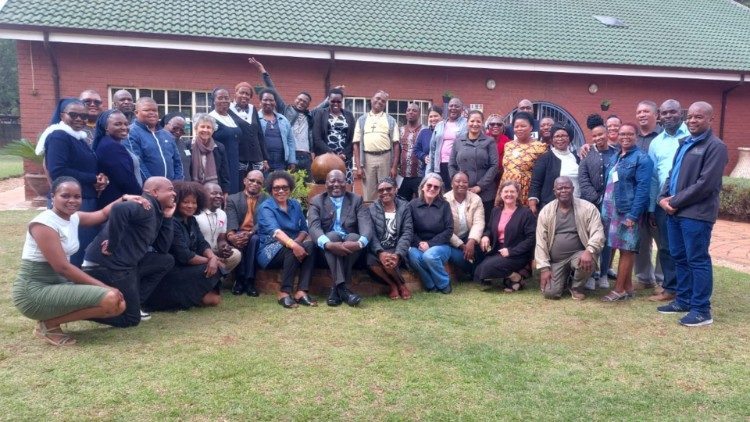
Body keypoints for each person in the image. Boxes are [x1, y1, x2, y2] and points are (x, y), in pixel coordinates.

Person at [12, 177, 132, 346]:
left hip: (56, 287)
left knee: (119, 305)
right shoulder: (44, 223)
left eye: (77, 196)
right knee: (110, 297)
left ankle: (48, 322)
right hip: (33, 292)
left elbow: (102, 214)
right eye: (65, 195)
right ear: (53, 196)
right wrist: (103, 286)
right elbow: (62, 268)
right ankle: (49, 325)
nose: (72, 200)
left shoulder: (73, 218)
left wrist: (124, 198)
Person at [657, 101, 727, 327]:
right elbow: (672, 173)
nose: (693, 120)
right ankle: (683, 300)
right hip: (675, 212)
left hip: (696, 214)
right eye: (691, 117)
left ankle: (701, 310)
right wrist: (663, 197)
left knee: (697, 259)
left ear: (710, 119)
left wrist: (674, 201)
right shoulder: (685, 142)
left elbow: (706, 184)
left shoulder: (715, 146)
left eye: (699, 117)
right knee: (679, 256)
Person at [83, 176, 177, 327]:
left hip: (124, 265)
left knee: (166, 260)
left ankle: (134, 302)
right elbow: (119, 209)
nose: (174, 194)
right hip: (106, 266)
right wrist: (113, 244)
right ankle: (76, 312)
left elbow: (163, 248)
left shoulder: (156, 211)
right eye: (170, 190)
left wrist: (167, 218)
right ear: (155, 192)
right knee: (131, 319)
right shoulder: (144, 205)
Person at [45, 99, 109, 266]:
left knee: (85, 245)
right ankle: (74, 286)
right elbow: (58, 170)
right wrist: (92, 178)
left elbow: (86, 166)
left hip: (86, 197)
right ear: (62, 115)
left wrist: (100, 178)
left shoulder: (78, 137)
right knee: (77, 249)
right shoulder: (59, 136)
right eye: (74, 115)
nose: (80, 119)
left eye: (84, 116)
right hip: (74, 201)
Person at [145, 181, 222, 311]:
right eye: (186, 202)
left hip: (187, 267)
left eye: (194, 202)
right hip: (172, 270)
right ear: (177, 202)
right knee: (213, 288)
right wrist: (211, 261)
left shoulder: (192, 220)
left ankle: (195, 296)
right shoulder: (172, 222)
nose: (190, 206)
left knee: (214, 290)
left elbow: (202, 243)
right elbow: (185, 256)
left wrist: (212, 257)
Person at [600, 123, 654, 302]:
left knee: (626, 249)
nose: (625, 137)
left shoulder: (642, 159)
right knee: (621, 247)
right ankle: (628, 286)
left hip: (626, 211)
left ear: (636, 136)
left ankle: (619, 290)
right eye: (622, 134)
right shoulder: (617, 156)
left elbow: (643, 189)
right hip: (611, 211)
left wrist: (633, 215)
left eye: (630, 134)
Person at [308, 169, 372, 307]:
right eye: (332, 181)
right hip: (326, 251)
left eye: (340, 181)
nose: (336, 184)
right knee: (332, 235)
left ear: (346, 184)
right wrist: (329, 245)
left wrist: (359, 244)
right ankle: (343, 289)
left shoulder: (356, 200)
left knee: (355, 237)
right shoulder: (317, 201)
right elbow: (314, 228)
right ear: (326, 184)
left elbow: (366, 227)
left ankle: (335, 289)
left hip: (352, 249)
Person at [536, 177, 605, 300]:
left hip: (580, 256)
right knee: (550, 294)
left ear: (573, 189)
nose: (563, 191)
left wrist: (589, 251)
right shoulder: (546, 211)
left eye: (567, 187)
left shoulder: (588, 208)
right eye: (559, 188)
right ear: (554, 191)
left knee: (585, 260)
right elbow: (540, 241)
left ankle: (576, 287)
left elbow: (598, 233)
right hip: (556, 260)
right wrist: (544, 268)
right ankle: (564, 279)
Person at [250, 57, 319, 179]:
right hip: (286, 157)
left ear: (308, 104)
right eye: (300, 99)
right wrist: (263, 71)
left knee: (304, 189)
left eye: (305, 101)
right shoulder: (286, 111)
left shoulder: (309, 116)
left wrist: (330, 98)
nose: (301, 102)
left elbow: (320, 107)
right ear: (295, 99)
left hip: (305, 156)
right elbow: (273, 91)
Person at [256, 171, 317, 308]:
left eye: (285, 187)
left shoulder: (295, 204)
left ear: (290, 189)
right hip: (269, 250)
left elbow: (303, 229)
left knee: (311, 246)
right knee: (290, 248)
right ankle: (284, 292)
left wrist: (298, 242)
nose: (281, 191)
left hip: (293, 244)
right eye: (276, 188)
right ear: (271, 190)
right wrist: (294, 245)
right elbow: (276, 232)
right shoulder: (266, 207)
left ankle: (301, 291)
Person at [647, 99, 688, 302]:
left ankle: (688, 288)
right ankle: (670, 288)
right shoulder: (656, 143)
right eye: (664, 113)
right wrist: (653, 206)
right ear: (660, 117)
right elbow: (654, 177)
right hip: (663, 203)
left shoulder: (691, 136)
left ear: (681, 113)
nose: (669, 116)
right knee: (666, 246)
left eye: (673, 112)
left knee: (688, 247)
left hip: (690, 202)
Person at [474, 181, 536, 292]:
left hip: (518, 253)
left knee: (487, 268)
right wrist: (486, 236)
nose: (509, 194)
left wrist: (511, 251)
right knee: (479, 271)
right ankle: (513, 279)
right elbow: (489, 229)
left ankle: (516, 277)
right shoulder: (496, 211)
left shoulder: (526, 213)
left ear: (517, 194)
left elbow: (531, 239)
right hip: (498, 250)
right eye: (506, 191)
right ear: (501, 194)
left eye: (512, 191)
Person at [578, 113, 617, 289]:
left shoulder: (617, 154)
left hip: (611, 205)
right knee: (591, 238)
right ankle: (591, 274)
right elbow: (583, 178)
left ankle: (603, 274)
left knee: (607, 240)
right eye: (594, 136)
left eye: (601, 134)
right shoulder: (587, 154)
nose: (598, 138)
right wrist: (595, 198)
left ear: (607, 133)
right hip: (591, 203)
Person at [634, 100, 664, 291]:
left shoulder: (664, 138)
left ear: (656, 115)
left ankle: (663, 279)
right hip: (637, 200)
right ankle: (644, 278)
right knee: (640, 240)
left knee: (663, 242)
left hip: (659, 198)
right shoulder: (632, 138)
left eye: (646, 111)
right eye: (639, 112)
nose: (642, 115)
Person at [449, 109, 499, 223]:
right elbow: (451, 164)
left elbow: (494, 165)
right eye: (472, 121)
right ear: (467, 122)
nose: (475, 124)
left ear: (482, 123)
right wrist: (456, 183)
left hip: (484, 191)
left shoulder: (489, 141)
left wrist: (480, 186)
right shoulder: (458, 141)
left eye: (478, 121)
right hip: (462, 190)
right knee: (463, 222)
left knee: (483, 223)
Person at [407, 173, 454, 293]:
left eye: (436, 187)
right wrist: (419, 243)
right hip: (418, 245)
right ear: (423, 186)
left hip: (440, 245)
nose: (432, 189)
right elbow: (409, 229)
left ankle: (444, 283)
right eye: (429, 185)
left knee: (429, 256)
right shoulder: (412, 205)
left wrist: (430, 244)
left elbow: (449, 230)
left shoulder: (445, 205)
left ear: (439, 190)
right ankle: (430, 284)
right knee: (413, 256)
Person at [367, 178, 413, 300]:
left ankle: (400, 285)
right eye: (381, 190)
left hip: (397, 246)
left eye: (388, 189)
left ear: (395, 189)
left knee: (390, 260)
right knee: (371, 261)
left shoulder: (405, 207)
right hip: (379, 247)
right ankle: (393, 284)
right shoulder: (372, 209)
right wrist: (380, 252)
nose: (385, 192)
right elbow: (371, 234)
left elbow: (407, 232)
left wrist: (398, 254)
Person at [226, 170, 269, 296]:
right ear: (245, 181)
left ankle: (249, 281)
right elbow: (231, 219)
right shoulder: (232, 199)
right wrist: (232, 236)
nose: (255, 184)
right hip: (238, 232)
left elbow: (263, 221)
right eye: (252, 180)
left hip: (256, 234)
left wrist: (250, 233)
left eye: (259, 182)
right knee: (239, 239)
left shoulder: (267, 200)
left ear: (262, 185)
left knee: (254, 239)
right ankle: (239, 280)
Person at [352, 90, 400, 201]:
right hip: (368, 159)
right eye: (377, 98)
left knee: (386, 189)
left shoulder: (391, 120)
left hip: (385, 157)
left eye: (383, 101)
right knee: (369, 191)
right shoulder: (362, 120)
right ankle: (370, 215)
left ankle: (385, 215)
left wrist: (394, 167)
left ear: (385, 104)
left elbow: (396, 144)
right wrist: (359, 167)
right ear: (371, 99)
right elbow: (356, 144)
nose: (380, 102)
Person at [494, 111, 547, 206]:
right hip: (506, 189)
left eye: (523, 126)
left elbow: (542, 175)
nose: (519, 129)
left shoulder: (540, 147)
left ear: (531, 127)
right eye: (516, 126)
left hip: (526, 191)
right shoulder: (508, 145)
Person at [125, 97, 183, 181]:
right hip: (148, 190)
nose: (152, 113)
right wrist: (153, 184)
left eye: (155, 110)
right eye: (147, 110)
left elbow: (177, 162)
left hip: (171, 188)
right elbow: (138, 164)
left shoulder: (167, 135)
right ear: (136, 113)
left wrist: (177, 183)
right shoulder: (131, 133)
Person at [528, 124, 580, 214]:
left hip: (576, 204)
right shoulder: (545, 158)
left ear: (569, 139)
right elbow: (536, 182)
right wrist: (533, 201)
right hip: (551, 205)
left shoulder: (576, 158)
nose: (560, 139)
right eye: (557, 136)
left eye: (564, 136)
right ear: (552, 140)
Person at [96, 111, 142, 208]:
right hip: (118, 203)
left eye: (126, 124)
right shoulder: (111, 147)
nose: (124, 127)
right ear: (106, 127)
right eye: (118, 124)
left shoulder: (111, 143)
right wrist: (141, 197)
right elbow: (125, 179)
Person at [195, 183, 241, 277]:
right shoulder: (196, 215)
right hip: (200, 253)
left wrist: (224, 247)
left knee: (236, 255)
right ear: (204, 195)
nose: (219, 196)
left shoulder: (222, 214)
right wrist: (211, 256)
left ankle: (215, 278)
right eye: (214, 193)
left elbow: (221, 239)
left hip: (216, 252)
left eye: (220, 194)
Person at [443, 172, 484, 278]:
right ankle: (474, 272)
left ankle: (481, 271)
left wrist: (471, 241)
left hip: (469, 237)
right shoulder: (444, 200)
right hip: (451, 241)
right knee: (460, 258)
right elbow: (445, 229)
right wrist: (462, 245)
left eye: (465, 182)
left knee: (484, 248)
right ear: (451, 183)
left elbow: (478, 222)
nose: (461, 184)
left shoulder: (476, 199)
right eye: (457, 181)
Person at [312, 88, 356, 184]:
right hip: (325, 159)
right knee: (326, 185)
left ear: (342, 101)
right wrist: (333, 155)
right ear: (328, 100)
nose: (336, 104)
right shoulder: (320, 113)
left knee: (344, 186)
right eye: (333, 101)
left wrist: (344, 154)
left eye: (338, 101)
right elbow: (317, 138)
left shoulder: (349, 115)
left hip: (344, 159)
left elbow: (352, 138)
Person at [229, 81, 269, 183]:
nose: (244, 96)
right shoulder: (228, 110)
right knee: (240, 187)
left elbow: (259, 134)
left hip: (256, 158)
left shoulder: (252, 109)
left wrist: (264, 158)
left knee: (257, 188)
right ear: (235, 93)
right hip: (239, 158)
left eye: (247, 94)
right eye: (242, 93)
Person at [427, 97, 467, 189]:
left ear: (461, 109)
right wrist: (430, 170)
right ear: (447, 108)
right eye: (451, 106)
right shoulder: (440, 125)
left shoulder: (466, 124)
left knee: (454, 190)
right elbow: (433, 149)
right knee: (441, 191)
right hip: (440, 164)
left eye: (456, 106)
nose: (453, 108)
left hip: (457, 165)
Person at [210, 88, 243, 194]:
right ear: (214, 101)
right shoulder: (210, 118)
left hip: (234, 162)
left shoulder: (231, 117)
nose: (224, 101)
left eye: (226, 98)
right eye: (220, 98)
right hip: (220, 163)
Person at [187, 113, 230, 193]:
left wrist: (225, 192)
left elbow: (224, 172)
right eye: (202, 127)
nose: (205, 130)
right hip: (192, 190)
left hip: (214, 192)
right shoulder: (188, 146)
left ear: (213, 131)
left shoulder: (219, 147)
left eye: (209, 127)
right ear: (196, 128)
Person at [258, 89, 296, 172]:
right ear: (260, 102)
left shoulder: (283, 119)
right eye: (265, 100)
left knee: (279, 184)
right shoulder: (255, 118)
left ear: (275, 102)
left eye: (271, 100)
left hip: (281, 163)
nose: (268, 102)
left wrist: (292, 161)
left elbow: (290, 141)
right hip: (262, 163)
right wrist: (262, 160)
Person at [397, 103, 426, 200]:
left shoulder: (425, 130)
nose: (411, 112)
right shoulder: (400, 130)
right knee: (402, 203)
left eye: (414, 110)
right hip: (403, 175)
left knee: (421, 203)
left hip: (420, 175)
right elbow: (397, 151)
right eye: (408, 110)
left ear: (419, 113)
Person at [414, 105, 442, 178]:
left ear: (441, 117)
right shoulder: (424, 132)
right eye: (431, 116)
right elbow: (416, 149)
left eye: (436, 116)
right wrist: (423, 156)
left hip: (443, 169)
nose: (433, 119)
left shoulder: (446, 132)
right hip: (428, 170)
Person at [162, 112, 191, 180]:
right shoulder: (158, 142)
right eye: (175, 128)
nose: (178, 132)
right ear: (166, 124)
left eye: (181, 130)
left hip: (185, 185)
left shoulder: (182, 143)